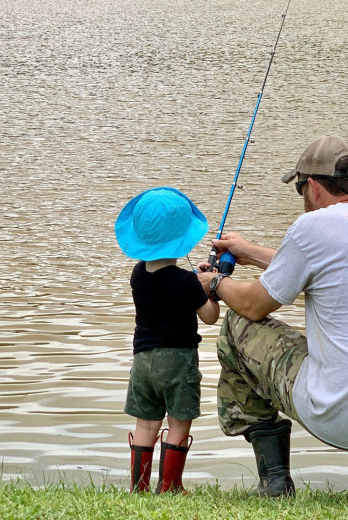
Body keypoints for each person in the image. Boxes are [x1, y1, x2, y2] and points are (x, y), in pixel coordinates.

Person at [197, 136, 348, 502]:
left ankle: (275, 481)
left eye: (299, 187)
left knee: (237, 326)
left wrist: (215, 282)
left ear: (312, 186)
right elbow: (329, 263)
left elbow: (252, 305)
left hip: (341, 412)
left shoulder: (311, 227)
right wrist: (246, 251)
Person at [114, 187, 220, 493]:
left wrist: (195, 282)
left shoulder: (137, 274)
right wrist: (210, 287)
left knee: (146, 423)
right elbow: (210, 316)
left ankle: (139, 487)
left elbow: (166, 286)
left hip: (142, 361)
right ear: (182, 238)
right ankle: (171, 486)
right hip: (178, 362)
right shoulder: (186, 282)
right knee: (178, 422)